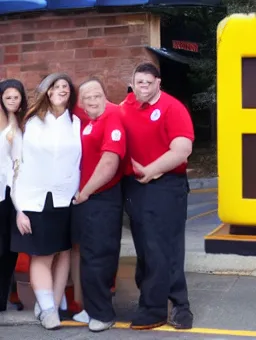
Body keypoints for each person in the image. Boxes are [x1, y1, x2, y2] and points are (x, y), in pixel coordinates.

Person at [120, 62, 194, 330]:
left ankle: (176, 307)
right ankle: (152, 300)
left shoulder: (172, 108)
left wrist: (151, 170)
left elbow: (182, 149)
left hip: (165, 185)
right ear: (133, 82)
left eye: (149, 83)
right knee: (147, 250)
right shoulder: (125, 107)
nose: (144, 87)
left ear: (158, 83)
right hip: (135, 187)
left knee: (167, 248)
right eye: (139, 82)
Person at [11, 73, 81, 330]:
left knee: (63, 251)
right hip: (34, 199)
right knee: (42, 254)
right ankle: (48, 308)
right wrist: (18, 208)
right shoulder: (31, 123)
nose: (62, 89)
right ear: (47, 92)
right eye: (57, 86)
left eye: (66, 86)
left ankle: (53, 301)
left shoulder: (75, 123)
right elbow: (16, 165)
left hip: (66, 199)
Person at [70, 78, 126, 333]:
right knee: (89, 255)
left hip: (101, 198)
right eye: (86, 98)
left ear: (105, 96)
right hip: (87, 200)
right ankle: (92, 308)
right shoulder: (89, 121)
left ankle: (103, 314)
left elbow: (109, 163)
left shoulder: (111, 118)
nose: (92, 101)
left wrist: (85, 192)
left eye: (97, 95)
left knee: (100, 257)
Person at [0, 80, 27, 312]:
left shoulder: (23, 123)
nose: (11, 100)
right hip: (2, 191)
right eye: (7, 96)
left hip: (17, 193)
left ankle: (4, 297)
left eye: (15, 96)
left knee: (10, 248)